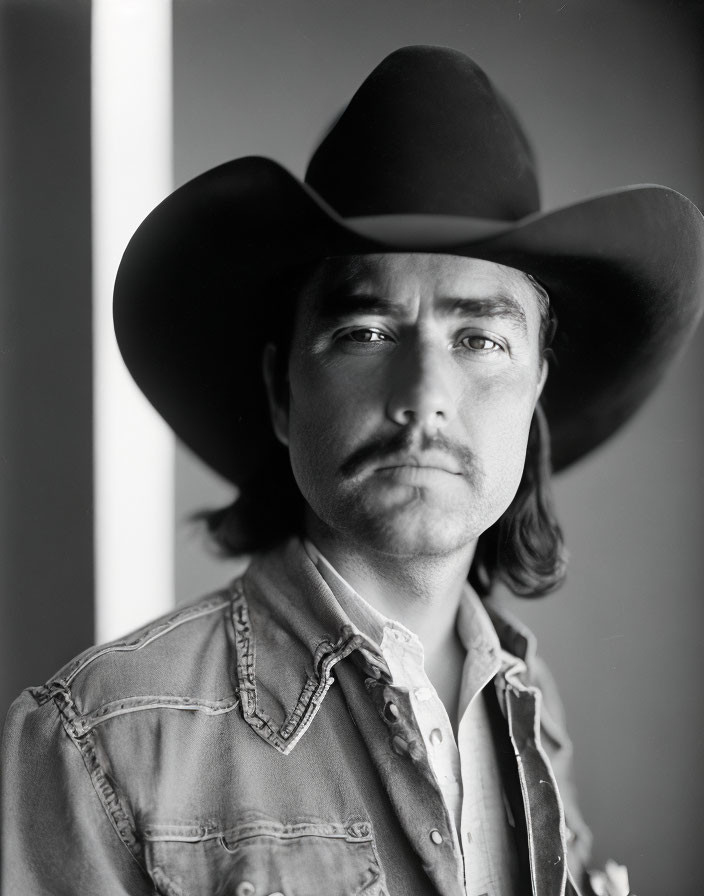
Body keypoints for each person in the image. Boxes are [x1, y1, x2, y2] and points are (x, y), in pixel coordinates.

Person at [3, 45, 703, 896]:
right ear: (280, 391)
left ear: (535, 393)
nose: (422, 397)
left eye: (479, 339)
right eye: (366, 333)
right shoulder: (100, 741)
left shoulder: (530, 708)